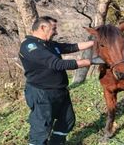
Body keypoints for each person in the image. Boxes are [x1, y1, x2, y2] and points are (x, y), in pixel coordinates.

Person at [19, 16, 99, 145]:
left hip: (59, 91)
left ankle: (56, 143)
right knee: (41, 128)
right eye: (54, 29)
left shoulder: (48, 43)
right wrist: (91, 61)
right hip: (42, 93)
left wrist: (95, 42)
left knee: (67, 120)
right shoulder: (30, 46)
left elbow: (70, 47)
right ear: (43, 27)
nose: (56, 32)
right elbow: (57, 64)